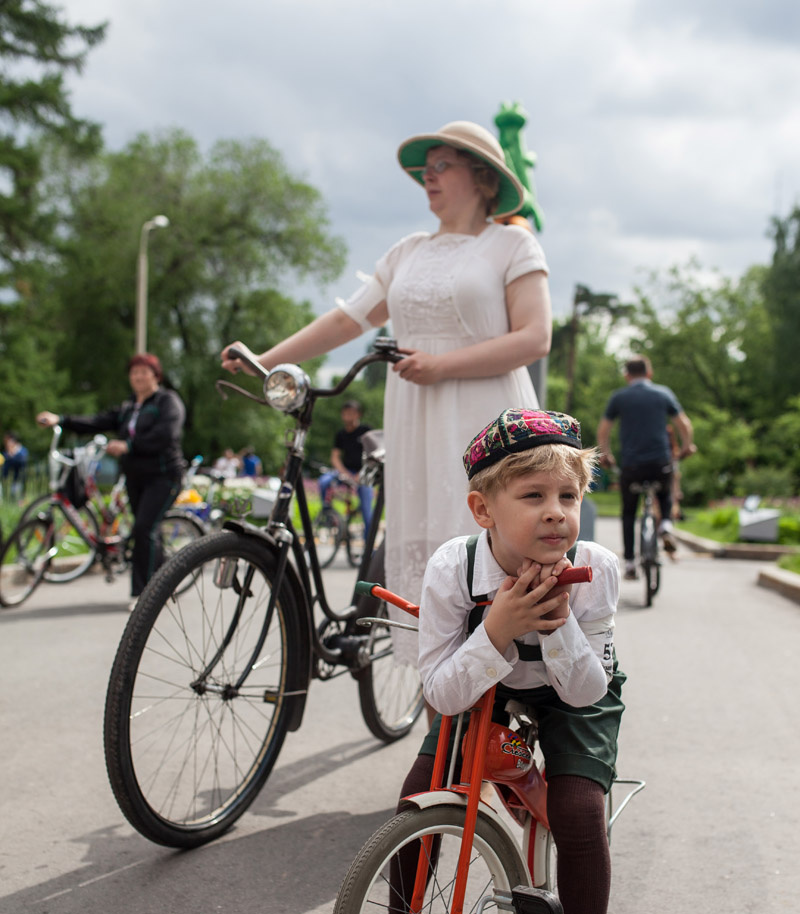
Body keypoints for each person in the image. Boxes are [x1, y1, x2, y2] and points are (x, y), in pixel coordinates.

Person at [221, 120, 551, 661]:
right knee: (433, 578)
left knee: (488, 551)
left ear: (484, 179)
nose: (430, 176)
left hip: (486, 419)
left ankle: (498, 724)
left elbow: (535, 336)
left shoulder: (511, 243)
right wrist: (265, 360)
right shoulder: (407, 251)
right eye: (426, 169)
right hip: (418, 421)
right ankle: (437, 726)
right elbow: (347, 321)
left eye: (443, 165)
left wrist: (444, 365)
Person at [358, 408, 625, 914]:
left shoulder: (596, 568)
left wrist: (555, 623)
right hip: (487, 680)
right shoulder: (455, 569)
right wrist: (499, 627)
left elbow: (588, 688)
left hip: (575, 684)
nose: (556, 512)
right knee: (424, 780)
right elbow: (442, 691)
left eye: (568, 496)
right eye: (533, 496)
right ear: (484, 509)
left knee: (580, 810)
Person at [37, 353, 186, 608]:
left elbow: (166, 435)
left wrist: (129, 446)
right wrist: (61, 420)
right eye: (134, 372)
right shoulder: (128, 408)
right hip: (135, 477)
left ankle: (144, 595)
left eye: (144, 372)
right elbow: (96, 421)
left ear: (156, 375)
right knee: (148, 532)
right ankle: (164, 584)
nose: (138, 377)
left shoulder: (167, 402)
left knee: (143, 529)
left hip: (163, 476)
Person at [596, 355, 696, 580]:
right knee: (664, 493)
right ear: (649, 373)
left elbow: (603, 430)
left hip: (632, 466)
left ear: (626, 375)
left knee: (629, 512)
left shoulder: (619, 398)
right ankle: (666, 526)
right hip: (660, 463)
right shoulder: (663, 394)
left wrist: (606, 454)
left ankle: (630, 563)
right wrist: (687, 447)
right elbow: (685, 425)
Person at [317, 400, 373, 537]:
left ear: (358, 414)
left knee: (367, 508)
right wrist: (346, 473)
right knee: (324, 481)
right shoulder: (340, 434)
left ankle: (369, 546)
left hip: (362, 473)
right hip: (345, 471)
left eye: (351, 414)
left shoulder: (366, 431)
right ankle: (329, 517)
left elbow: (374, 454)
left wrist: (362, 473)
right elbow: (335, 457)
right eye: (346, 414)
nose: (348, 417)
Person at [2, 432, 29, 500]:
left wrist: (12, 455)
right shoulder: (6, 453)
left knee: (17, 496)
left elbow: (22, 461)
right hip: (8, 479)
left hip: (19, 478)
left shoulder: (22, 450)